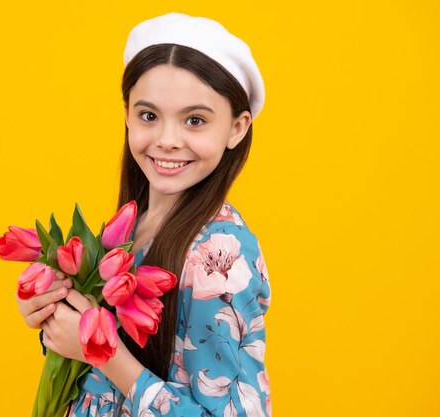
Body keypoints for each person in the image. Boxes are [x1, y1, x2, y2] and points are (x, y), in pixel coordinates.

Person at [16, 12, 273, 417]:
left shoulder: (218, 256)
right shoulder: (132, 227)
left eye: (195, 120)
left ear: (237, 128)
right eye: (149, 116)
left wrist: (101, 352)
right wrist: (56, 319)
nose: (167, 140)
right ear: (127, 114)